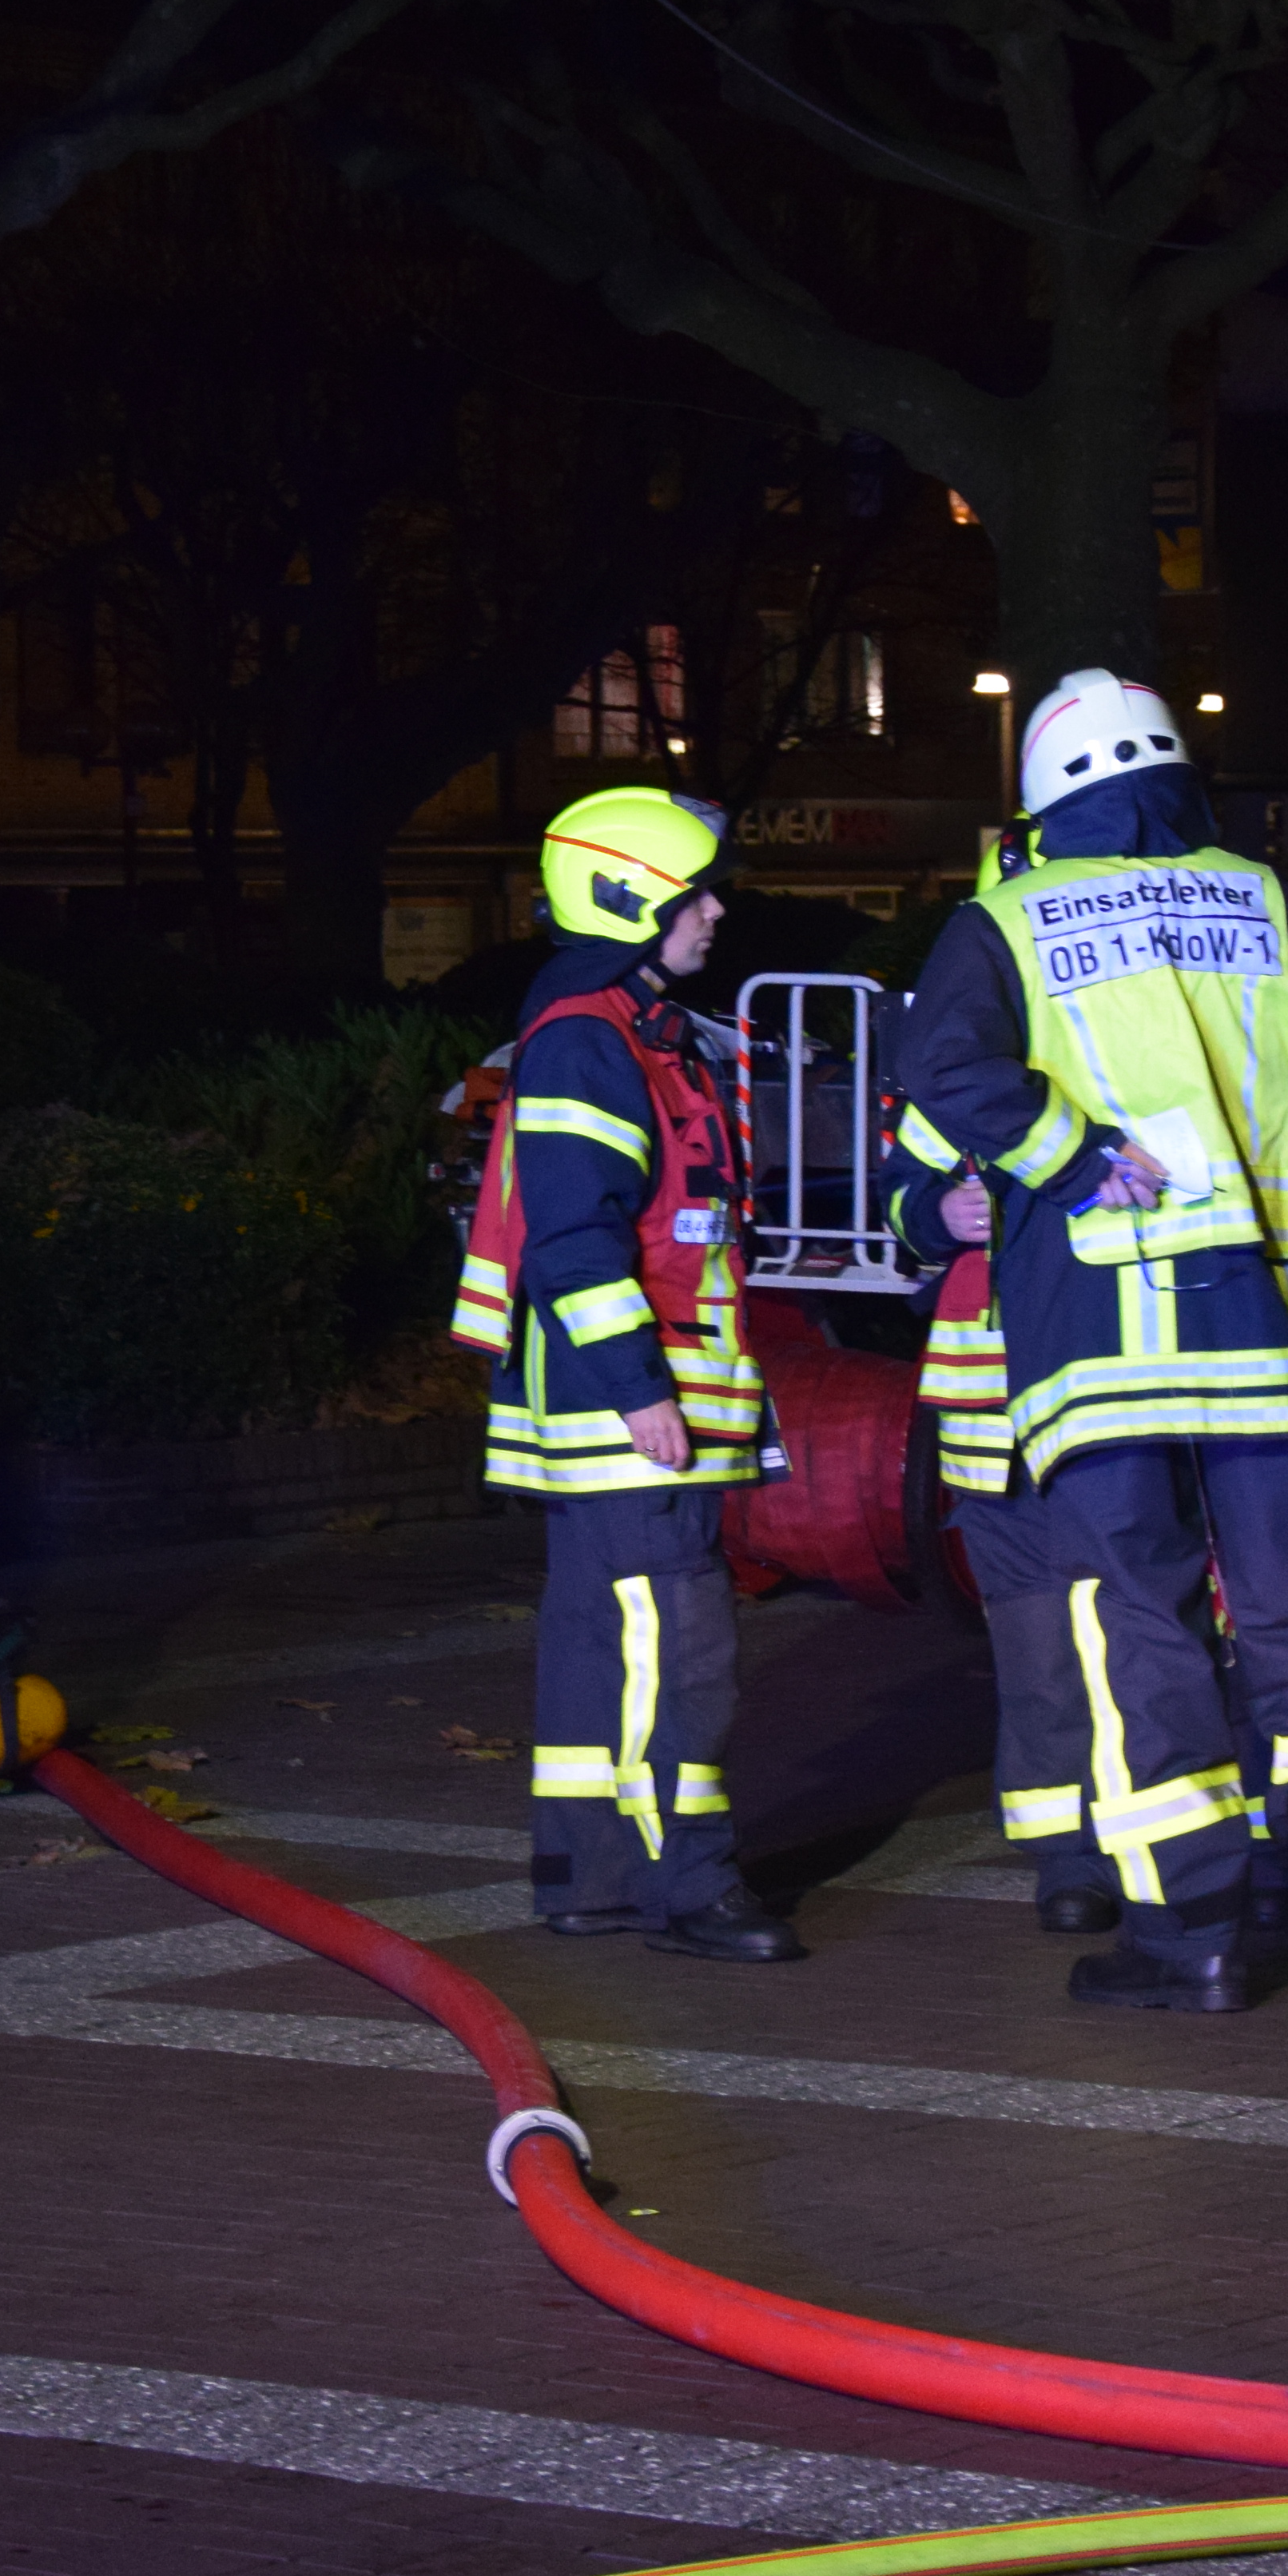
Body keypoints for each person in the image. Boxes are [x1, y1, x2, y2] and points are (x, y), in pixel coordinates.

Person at [904, 671, 1288, 2013]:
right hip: (1267, 1331)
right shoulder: (1265, 900)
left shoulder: (1006, 917)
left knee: (1135, 1616)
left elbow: (942, 1068)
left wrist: (1068, 1153)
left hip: (1101, 1345)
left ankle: (1189, 1927)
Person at [450, 787, 797, 1962]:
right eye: (694, 893)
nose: (714, 912)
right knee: (676, 1648)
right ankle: (686, 1886)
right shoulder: (596, 1040)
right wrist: (641, 1388)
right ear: (629, 898)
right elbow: (573, 1241)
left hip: (621, 1403)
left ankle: (594, 1877)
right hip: (633, 1409)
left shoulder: (614, 1028)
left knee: (605, 1650)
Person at [885, 1101, 1119, 1934]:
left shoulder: (1127, 1054)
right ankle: (1070, 1856)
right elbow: (899, 1197)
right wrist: (937, 1212)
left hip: (1110, 1401)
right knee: (1036, 1644)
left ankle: (1159, 1840)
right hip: (989, 1421)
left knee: (1135, 1630)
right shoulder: (961, 1078)